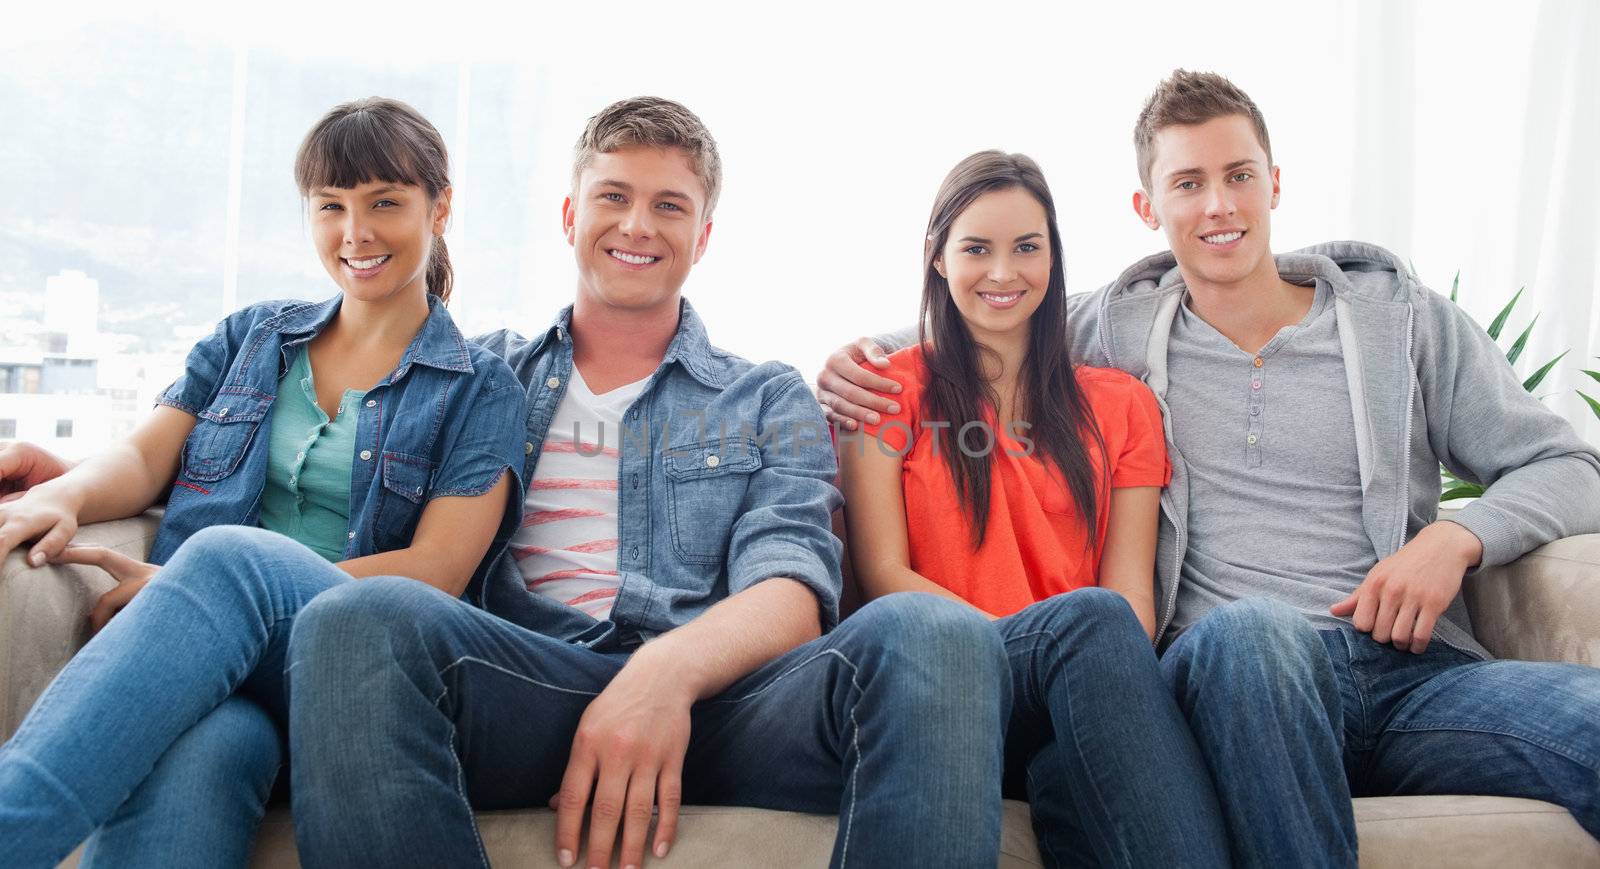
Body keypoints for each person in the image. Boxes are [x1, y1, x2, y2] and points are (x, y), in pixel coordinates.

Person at [819, 69, 1600, 865]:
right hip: (1234, 665)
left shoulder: (1400, 320)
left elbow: (1571, 464)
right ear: (1148, 208)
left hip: (1408, 671)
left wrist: (1454, 543)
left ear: (1276, 183)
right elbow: (991, 314)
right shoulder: (1120, 326)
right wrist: (859, 359)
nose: (1219, 206)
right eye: (1188, 183)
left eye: (1239, 176)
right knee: (1254, 633)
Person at [273, 97, 1009, 869]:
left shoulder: (764, 395)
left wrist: (665, 673)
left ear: (704, 235)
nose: (637, 226)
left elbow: (793, 585)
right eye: (613, 197)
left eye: (669, 206)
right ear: (568, 215)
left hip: (723, 708)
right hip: (520, 682)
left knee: (937, 630)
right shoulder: (477, 374)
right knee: (356, 620)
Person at [0, 96, 526, 869]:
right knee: (204, 748)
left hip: (350, 666)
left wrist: (211, 594)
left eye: (386, 203)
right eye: (332, 206)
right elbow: (148, 457)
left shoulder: (481, 386)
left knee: (224, 562)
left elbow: (436, 571)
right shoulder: (253, 337)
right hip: (228, 680)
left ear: (439, 207)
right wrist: (62, 494)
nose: (357, 233)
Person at [837, 148, 1229, 867]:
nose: (1002, 273)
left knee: (1085, 719)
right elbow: (883, 572)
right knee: (1092, 623)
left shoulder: (1122, 405)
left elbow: (1131, 597)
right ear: (936, 258)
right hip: (950, 678)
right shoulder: (884, 392)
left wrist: (1076, 662)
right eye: (976, 249)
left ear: (1054, 257)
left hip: (1079, 693)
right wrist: (1030, 642)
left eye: (1026, 248)